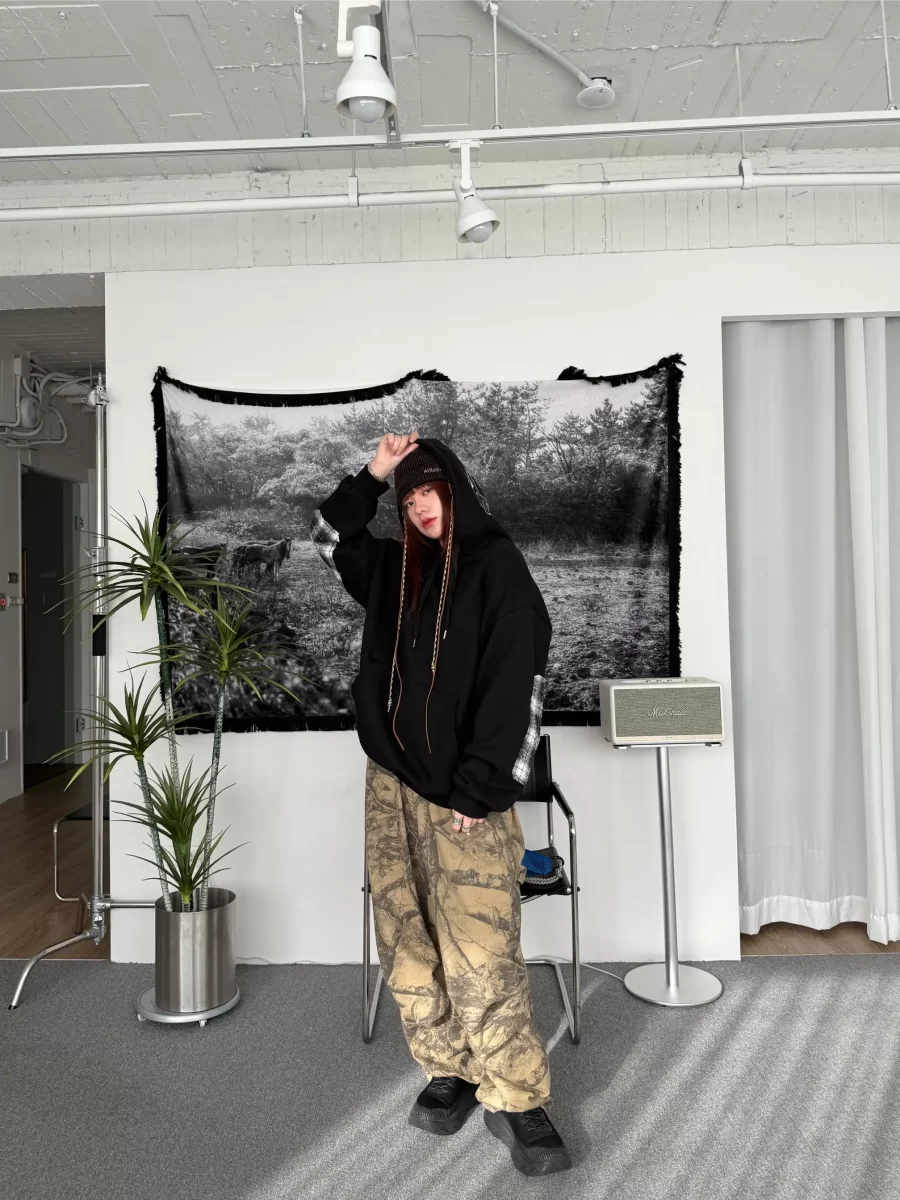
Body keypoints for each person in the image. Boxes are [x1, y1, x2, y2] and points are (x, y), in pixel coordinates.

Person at [310, 432, 572, 1178]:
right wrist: (375, 473)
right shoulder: (394, 569)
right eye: (410, 496)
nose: (421, 505)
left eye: (432, 490)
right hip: (390, 787)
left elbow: (517, 687)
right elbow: (327, 534)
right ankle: (447, 1065)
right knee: (407, 939)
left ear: (457, 491)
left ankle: (516, 1098)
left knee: (481, 950)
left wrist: (480, 789)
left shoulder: (498, 567)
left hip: (464, 796)